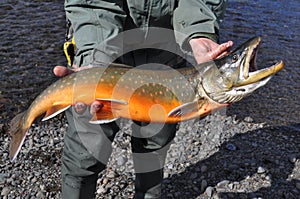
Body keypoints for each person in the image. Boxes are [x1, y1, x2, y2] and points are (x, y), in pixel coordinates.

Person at [54, 0, 233, 198]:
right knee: (84, 152)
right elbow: (91, 4)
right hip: (101, 49)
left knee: (154, 149)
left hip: (166, 55)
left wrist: (199, 31)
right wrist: (96, 58)